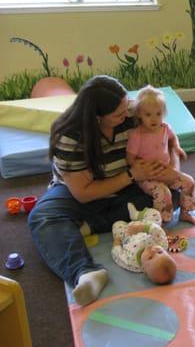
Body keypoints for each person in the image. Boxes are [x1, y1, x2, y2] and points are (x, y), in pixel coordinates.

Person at [28, 75, 179, 306]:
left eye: (126, 107)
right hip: (81, 195)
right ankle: (85, 272)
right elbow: (83, 193)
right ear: (97, 117)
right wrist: (131, 174)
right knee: (43, 217)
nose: (126, 114)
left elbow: (167, 139)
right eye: (119, 114)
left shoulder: (132, 111)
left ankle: (89, 226)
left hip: (129, 188)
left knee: (170, 197)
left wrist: (172, 173)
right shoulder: (69, 136)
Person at [127, 85, 195, 224]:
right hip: (148, 176)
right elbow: (130, 158)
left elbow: (173, 138)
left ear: (163, 113)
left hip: (166, 171)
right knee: (164, 193)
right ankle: (162, 222)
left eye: (158, 114)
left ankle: (185, 212)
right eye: (148, 115)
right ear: (140, 114)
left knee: (189, 182)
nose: (154, 119)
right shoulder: (137, 134)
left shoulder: (165, 128)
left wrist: (177, 147)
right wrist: (141, 169)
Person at [112, 203, 177, 284]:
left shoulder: (132, 263)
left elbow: (120, 258)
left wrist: (117, 245)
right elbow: (158, 231)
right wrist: (143, 228)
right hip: (143, 225)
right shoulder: (162, 244)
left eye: (150, 257)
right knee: (155, 215)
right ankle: (136, 215)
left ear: (143, 269)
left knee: (117, 226)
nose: (153, 251)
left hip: (128, 235)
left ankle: (121, 226)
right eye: (160, 252)